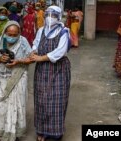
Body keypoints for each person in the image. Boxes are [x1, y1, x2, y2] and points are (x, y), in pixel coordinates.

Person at [31, 5, 71, 141]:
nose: (49, 18)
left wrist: (40, 58)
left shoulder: (64, 31)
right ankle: (41, 131)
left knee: (57, 100)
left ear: (59, 17)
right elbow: (36, 44)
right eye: (47, 15)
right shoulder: (41, 30)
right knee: (41, 100)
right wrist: (34, 51)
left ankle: (55, 132)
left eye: (53, 15)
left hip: (58, 70)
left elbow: (60, 51)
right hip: (42, 71)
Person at [0, 21, 33, 141]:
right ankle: (0, 132)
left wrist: (18, 61)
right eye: (9, 34)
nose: (12, 37)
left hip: (19, 75)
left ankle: (15, 133)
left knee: (18, 104)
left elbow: (31, 58)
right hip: (2, 77)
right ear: (5, 33)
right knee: (0, 105)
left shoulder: (23, 41)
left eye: (15, 35)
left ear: (19, 33)